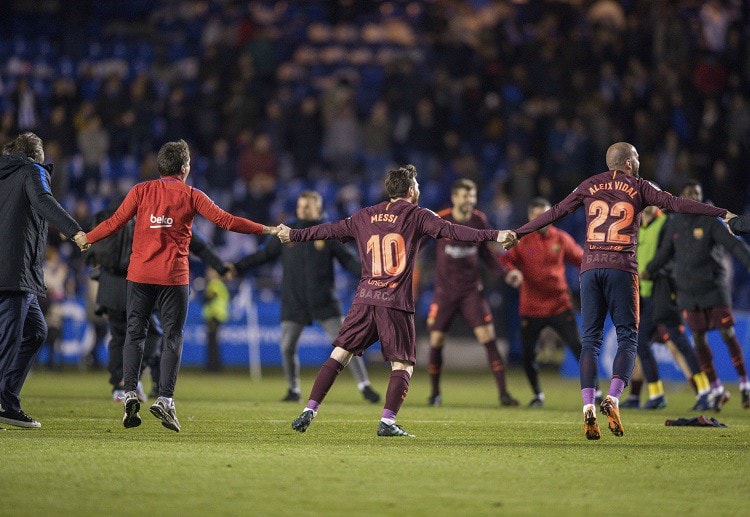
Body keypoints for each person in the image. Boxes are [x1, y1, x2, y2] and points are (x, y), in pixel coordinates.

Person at [504, 142, 732, 440]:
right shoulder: (639, 186)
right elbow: (678, 203)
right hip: (622, 269)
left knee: (590, 340)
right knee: (628, 336)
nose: (639, 162)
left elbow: (556, 212)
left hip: (590, 269)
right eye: (636, 157)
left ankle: (587, 406)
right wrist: (722, 214)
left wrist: (518, 233)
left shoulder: (589, 185)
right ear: (627, 163)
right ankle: (612, 397)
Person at [278, 165, 515, 437]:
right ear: (412, 190)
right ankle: (387, 422)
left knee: (340, 353)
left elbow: (327, 230)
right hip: (395, 301)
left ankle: (310, 408)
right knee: (402, 364)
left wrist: (293, 234)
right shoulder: (417, 215)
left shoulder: (364, 215)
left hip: (365, 299)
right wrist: (495, 235)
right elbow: (454, 231)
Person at [86, 139, 277, 432]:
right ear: (185, 168)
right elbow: (226, 221)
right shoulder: (191, 195)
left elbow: (113, 223)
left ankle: (129, 393)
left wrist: (86, 237)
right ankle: (164, 398)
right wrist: (266, 229)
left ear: (160, 166)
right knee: (172, 337)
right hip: (173, 278)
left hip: (138, 276)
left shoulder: (140, 190)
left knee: (134, 334)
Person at [232, 191, 381, 403]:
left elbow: (348, 261)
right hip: (294, 302)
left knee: (347, 344)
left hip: (324, 302)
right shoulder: (287, 230)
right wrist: (237, 268)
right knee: (287, 347)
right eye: (300, 206)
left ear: (318, 209)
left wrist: (371, 274)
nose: (302, 210)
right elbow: (263, 255)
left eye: (307, 206)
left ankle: (364, 386)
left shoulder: (328, 233)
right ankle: (294, 390)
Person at [88, 202, 229, 401]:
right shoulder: (158, 219)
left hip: (110, 285)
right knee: (152, 333)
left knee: (119, 336)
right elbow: (199, 244)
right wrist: (221, 266)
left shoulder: (110, 218)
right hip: (138, 283)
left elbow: (89, 240)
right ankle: (132, 380)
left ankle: (119, 386)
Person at [0, 132, 89, 428]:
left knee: (36, 332)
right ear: (37, 156)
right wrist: (74, 230)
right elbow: (43, 201)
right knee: (10, 340)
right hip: (15, 271)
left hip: (13, 272)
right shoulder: (32, 171)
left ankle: (7, 400)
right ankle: (4, 401)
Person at [645, 180, 750, 411]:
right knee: (699, 339)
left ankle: (744, 383)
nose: (692, 196)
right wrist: (648, 270)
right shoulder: (675, 223)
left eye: (697, 193)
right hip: (688, 293)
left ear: (702, 198)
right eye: (688, 193)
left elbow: (734, 246)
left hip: (714, 289)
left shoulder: (711, 222)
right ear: (681, 197)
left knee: (728, 332)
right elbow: (664, 254)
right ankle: (715, 388)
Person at [426, 179, 519, 407]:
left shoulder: (479, 220)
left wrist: (506, 273)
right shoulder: (441, 219)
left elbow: (488, 256)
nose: (469, 201)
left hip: (470, 291)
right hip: (444, 292)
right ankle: (435, 393)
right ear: (455, 198)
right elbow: (424, 246)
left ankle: (504, 393)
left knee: (488, 338)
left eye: (472, 196)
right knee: (436, 340)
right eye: (465, 196)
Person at [501, 197, 595, 407]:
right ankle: (537, 394)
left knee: (579, 348)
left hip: (559, 304)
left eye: (544, 215)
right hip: (531, 307)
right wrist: (512, 271)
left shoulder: (560, 238)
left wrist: (594, 275)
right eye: (536, 216)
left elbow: (581, 259)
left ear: (551, 216)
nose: (540, 220)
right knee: (527, 355)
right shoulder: (522, 240)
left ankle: (593, 391)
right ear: (529, 217)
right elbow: (505, 260)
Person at [621, 203, 712, 411]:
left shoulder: (666, 224)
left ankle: (706, 392)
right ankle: (652, 395)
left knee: (676, 344)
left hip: (663, 292)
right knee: (644, 343)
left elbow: (670, 257)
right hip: (642, 295)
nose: (648, 205)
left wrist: (651, 271)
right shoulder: (638, 226)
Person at [202, 267, 230, 372]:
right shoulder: (221, 285)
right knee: (213, 342)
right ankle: (215, 366)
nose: (208, 274)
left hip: (214, 316)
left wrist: (204, 297)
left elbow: (209, 298)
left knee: (212, 343)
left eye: (210, 272)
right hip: (217, 316)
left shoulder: (214, 284)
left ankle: (213, 367)